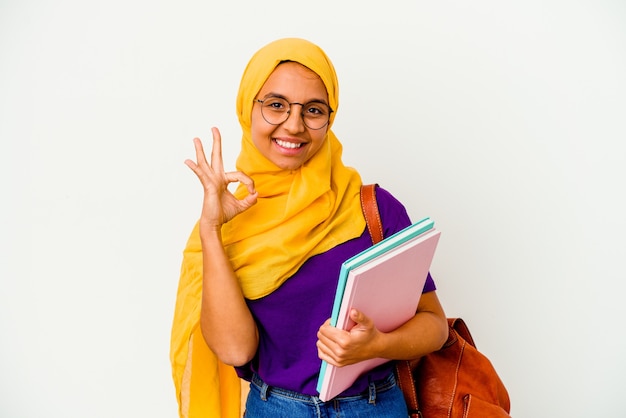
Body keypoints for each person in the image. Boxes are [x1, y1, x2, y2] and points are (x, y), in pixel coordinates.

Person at [170, 38, 448, 418]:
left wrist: (376, 344)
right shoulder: (228, 224)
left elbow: (435, 326)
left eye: (313, 110)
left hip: (373, 408)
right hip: (275, 410)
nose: (294, 125)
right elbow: (236, 351)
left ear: (329, 119)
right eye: (276, 105)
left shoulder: (373, 209)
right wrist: (211, 230)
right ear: (247, 107)